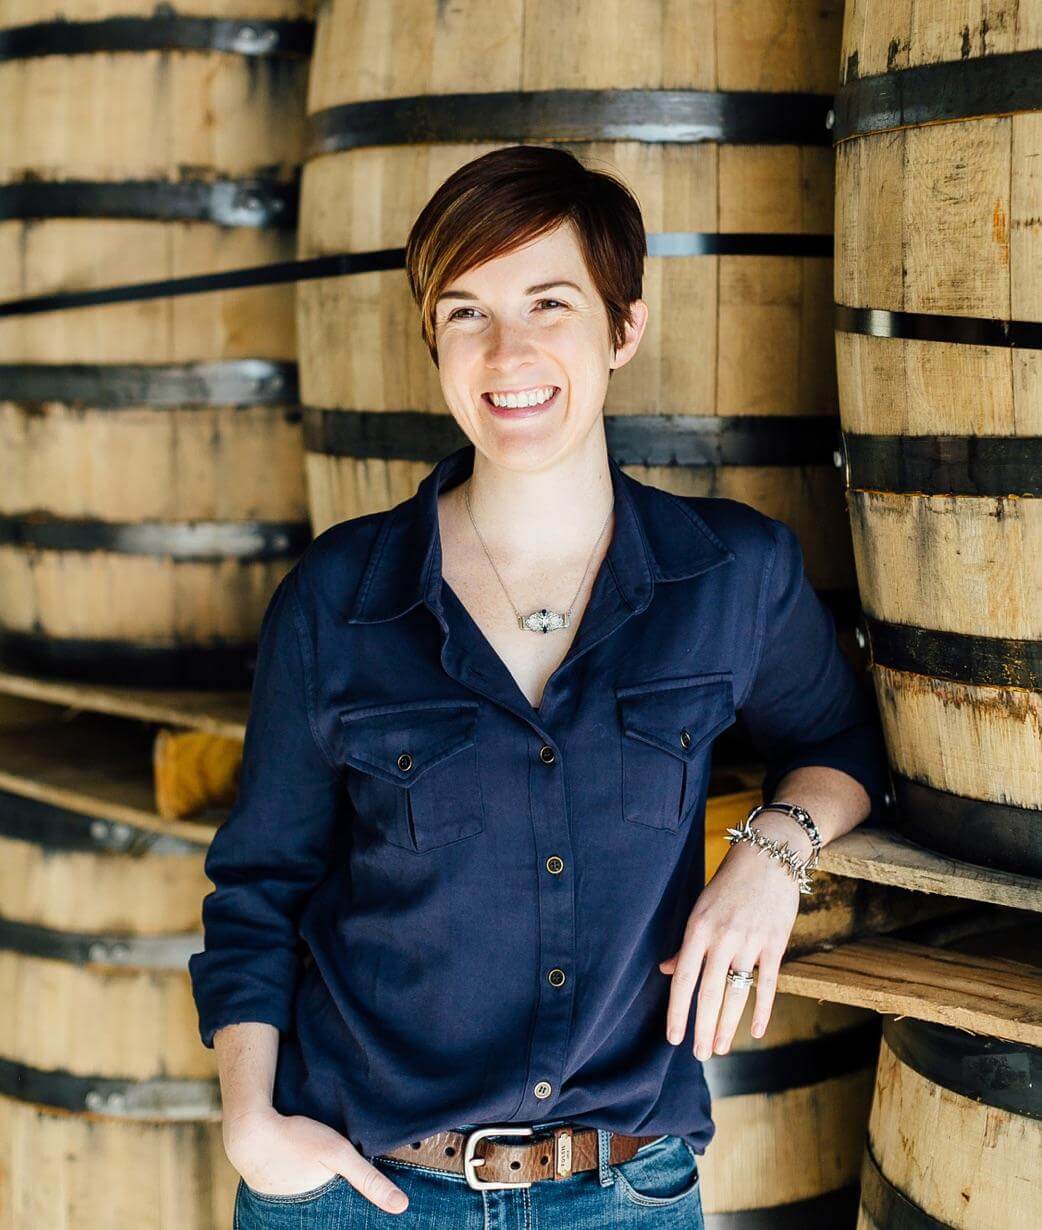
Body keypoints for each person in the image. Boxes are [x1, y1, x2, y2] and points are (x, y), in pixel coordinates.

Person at [188, 144, 891, 1228]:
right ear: (435, 344)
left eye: (548, 302)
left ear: (623, 328)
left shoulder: (731, 573)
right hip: (359, 1189)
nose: (505, 350)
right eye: (464, 312)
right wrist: (251, 1123)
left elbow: (845, 743)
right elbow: (259, 886)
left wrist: (773, 852)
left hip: (623, 1193)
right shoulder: (338, 596)